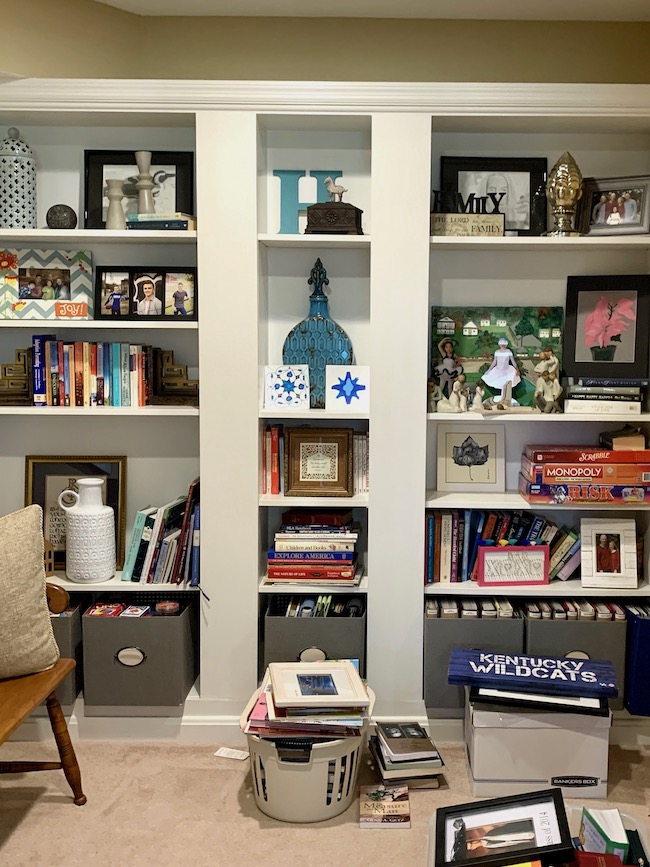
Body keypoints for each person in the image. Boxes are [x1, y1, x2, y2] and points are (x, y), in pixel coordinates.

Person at [481, 337, 521, 403]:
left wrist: (517, 369)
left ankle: (504, 398)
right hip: (498, 370)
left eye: (504, 345)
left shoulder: (508, 352)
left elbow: (513, 361)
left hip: (507, 371)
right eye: (501, 345)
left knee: (506, 385)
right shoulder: (497, 352)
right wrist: (489, 370)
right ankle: (501, 398)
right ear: (499, 345)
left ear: (506, 345)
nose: (502, 346)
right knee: (500, 384)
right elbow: (494, 362)